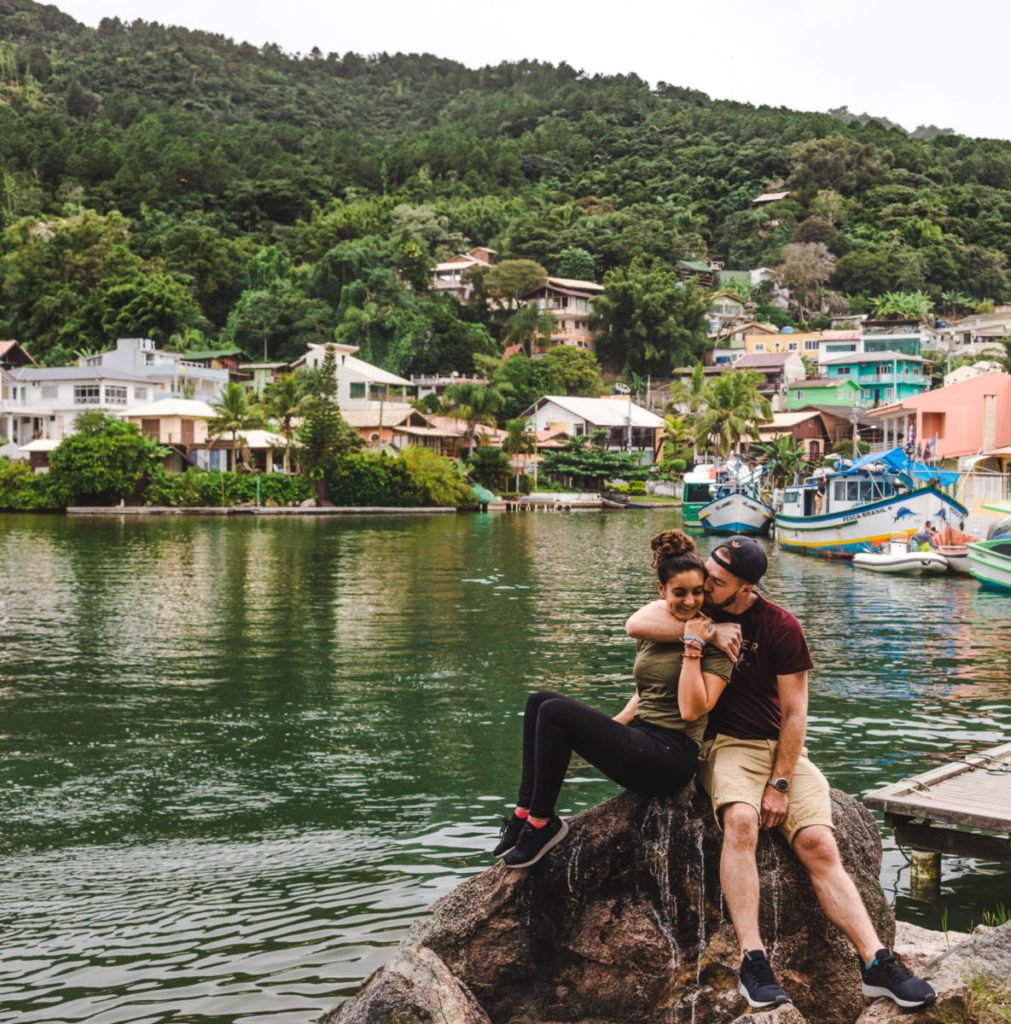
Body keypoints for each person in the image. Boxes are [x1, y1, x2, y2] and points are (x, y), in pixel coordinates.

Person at [626, 536, 936, 1012]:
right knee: (742, 822)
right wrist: (704, 634)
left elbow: (794, 714)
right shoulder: (697, 609)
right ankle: (754, 961)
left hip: (781, 750)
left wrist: (781, 782)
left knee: (818, 844)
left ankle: (877, 964)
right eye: (706, 573)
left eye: (717, 581)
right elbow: (638, 622)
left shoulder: (781, 626)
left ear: (746, 587)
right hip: (726, 746)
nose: (704, 586)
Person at [493, 530, 735, 869]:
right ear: (661, 591)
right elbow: (644, 693)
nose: (691, 602)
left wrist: (695, 646)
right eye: (680, 592)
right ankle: (523, 814)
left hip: (672, 756)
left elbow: (694, 709)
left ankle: (542, 823)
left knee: (554, 712)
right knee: (538, 701)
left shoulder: (717, 641)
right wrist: (607, 729)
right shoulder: (657, 631)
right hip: (642, 737)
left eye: (698, 592)